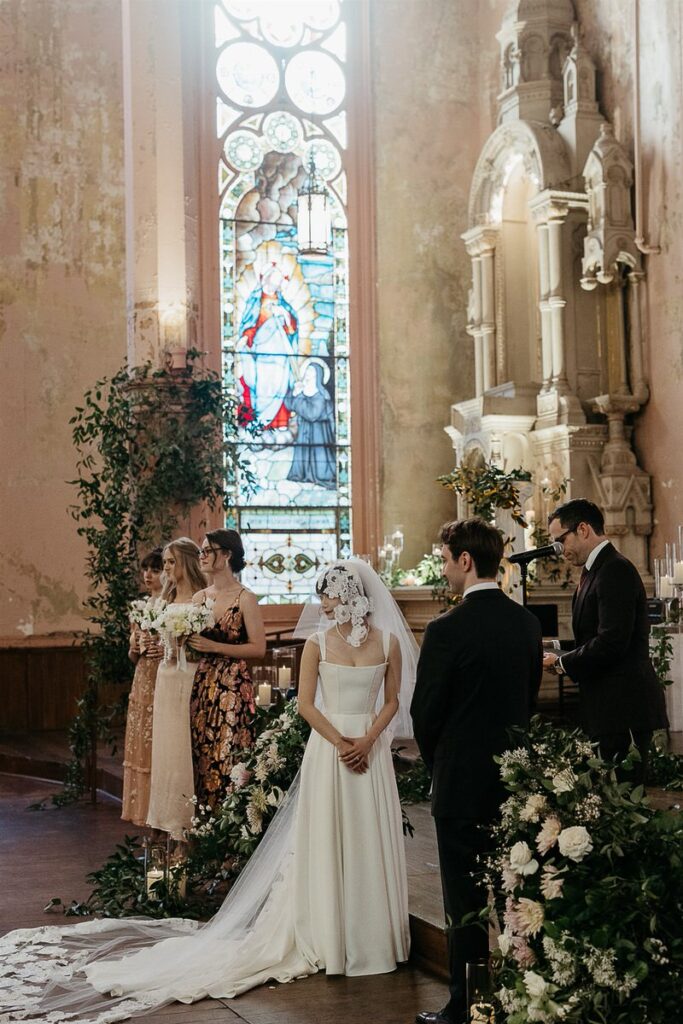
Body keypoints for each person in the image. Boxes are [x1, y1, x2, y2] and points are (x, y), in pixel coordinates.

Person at [0, 559, 417, 1023]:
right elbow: (303, 704)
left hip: (370, 752)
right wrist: (344, 742)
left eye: (327, 596)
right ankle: (334, 934)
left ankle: (372, 936)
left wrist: (368, 740)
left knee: (368, 838)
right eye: (321, 596)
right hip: (332, 749)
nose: (321, 605)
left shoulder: (390, 642)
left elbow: (395, 699)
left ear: (349, 596)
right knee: (329, 839)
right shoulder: (317, 644)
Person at [411, 518, 542, 1024]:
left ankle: (468, 1005)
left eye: (445, 560)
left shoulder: (446, 629)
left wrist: (438, 761)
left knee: (463, 899)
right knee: (515, 888)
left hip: (461, 781)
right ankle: (519, 993)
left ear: (465, 560)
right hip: (514, 782)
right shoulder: (526, 624)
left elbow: (426, 714)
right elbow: (530, 699)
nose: (444, 570)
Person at [543, 498, 668, 780]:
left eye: (561, 540)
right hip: (607, 706)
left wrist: (562, 664)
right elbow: (592, 637)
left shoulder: (615, 569)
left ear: (583, 529)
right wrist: (553, 647)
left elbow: (612, 641)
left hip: (624, 707)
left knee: (627, 795)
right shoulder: (595, 570)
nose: (558, 550)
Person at [189, 529, 266, 810]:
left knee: (231, 753)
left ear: (227, 554)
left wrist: (214, 647)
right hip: (202, 686)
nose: (202, 557)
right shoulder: (199, 598)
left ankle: (231, 826)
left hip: (233, 686)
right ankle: (203, 826)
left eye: (208, 551)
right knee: (201, 754)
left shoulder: (245, 598)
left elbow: (258, 648)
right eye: (201, 552)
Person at [146, 537, 206, 839]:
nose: (166, 567)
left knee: (184, 747)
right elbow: (161, 639)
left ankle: (186, 823)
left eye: (171, 561)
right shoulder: (165, 600)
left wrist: (187, 646)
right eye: (165, 562)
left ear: (186, 562)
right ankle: (163, 818)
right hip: (166, 676)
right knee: (166, 748)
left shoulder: (202, 598)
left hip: (189, 676)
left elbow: (204, 645)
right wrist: (159, 648)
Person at [121, 548, 164, 828]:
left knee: (158, 745)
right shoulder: (140, 607)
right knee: (141, 745)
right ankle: (145, 819)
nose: (148, 575)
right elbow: (132, 655)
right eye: (145, 569)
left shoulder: (171, 606)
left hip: (163, 678)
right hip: (142, 679)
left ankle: (160, 816)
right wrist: (135, 646)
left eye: (155, 569)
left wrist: (160, 645)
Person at [286, 359, 336, 489]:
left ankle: (319, 476)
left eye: (310, 371)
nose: (307, 373)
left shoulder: (321, 395)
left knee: (319, 464)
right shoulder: (303, 389)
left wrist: (299, 397)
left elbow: (312, 414)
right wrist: (294, 392)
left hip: (319, 434)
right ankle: (302, 474)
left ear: (317, 375)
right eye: (307, 370)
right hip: (304, 431)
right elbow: (288, 404)